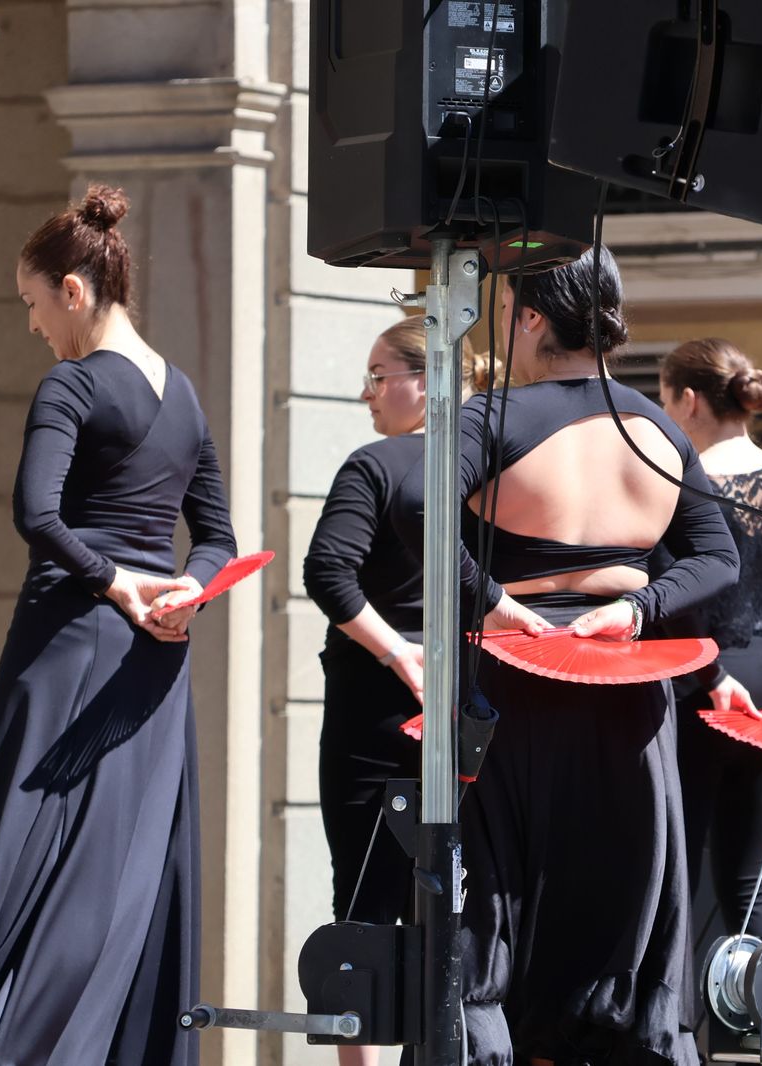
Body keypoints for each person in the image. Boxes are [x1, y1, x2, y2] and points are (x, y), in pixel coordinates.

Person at [393, 249, 739, 1066]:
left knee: (495, 902)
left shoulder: (496, 415)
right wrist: (635, 608)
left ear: (531, 317)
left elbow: (415, 505)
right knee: (625, 901)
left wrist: (496, 603)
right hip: (627, 692)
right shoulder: (655, 428)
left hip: (516, 686)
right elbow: (717, 558)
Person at [0, 186, 236, 1066]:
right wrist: (182, 592)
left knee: (19, 857)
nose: (31, 326)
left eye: (30, 304)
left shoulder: (72, 381)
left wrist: (119, 587)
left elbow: (36, 516)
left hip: (68, 645)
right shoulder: (184, 393)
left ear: (73, 289)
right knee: (122, 871)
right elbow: (218, 538)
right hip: (152, 664)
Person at [303, 315, 476, 1066]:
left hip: (376, 716)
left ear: (426, 380)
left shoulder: (377, 464)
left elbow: (326, 573)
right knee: (461, 909)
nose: (367, 394)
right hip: (474, 714)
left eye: (378, 377)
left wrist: (400, 654)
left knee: (364, 916)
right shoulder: (495, 468)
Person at [658, 338, 762, 945]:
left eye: (665, 402)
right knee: (749, 878)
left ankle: (671, 1035)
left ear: (690, 401)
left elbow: (668, 590)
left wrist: (711, 676)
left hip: (700, 675)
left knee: (677, 870)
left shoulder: (679, 486)